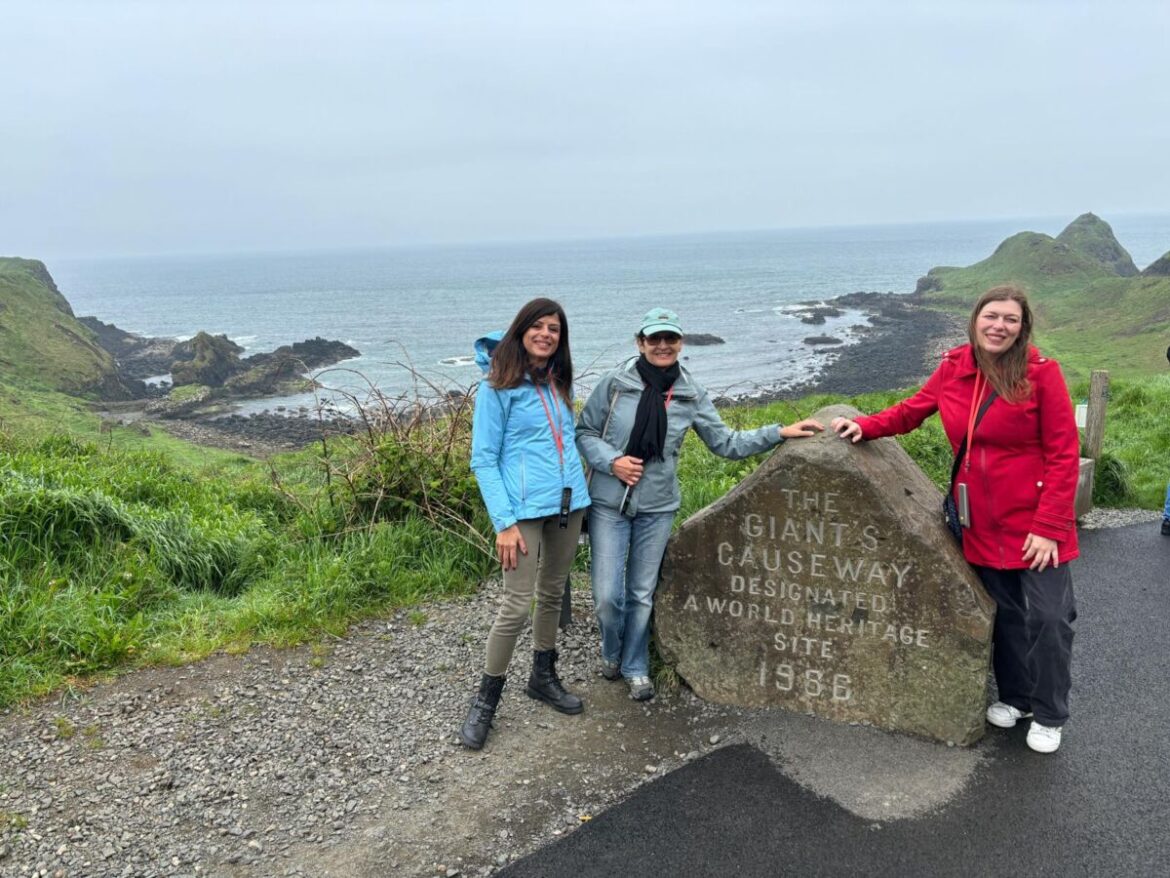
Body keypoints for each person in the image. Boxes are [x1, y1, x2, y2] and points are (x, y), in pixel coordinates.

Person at [830, 285, 1079, 754]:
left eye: (1010, 319)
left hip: (1035, 524)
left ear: (1022, 328)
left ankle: (1049, 713)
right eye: (991, 316)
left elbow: (1064, 453)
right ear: (975, 319)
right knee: (1005, 614)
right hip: (980, 519)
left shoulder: (1041, 374)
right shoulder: (953, 368)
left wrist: (1049, 528)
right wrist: (865, 425)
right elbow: (912, 411)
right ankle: (1018, 698)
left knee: (1049, 617)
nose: (999, 326)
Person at [576, 307, 824, 701]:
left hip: (658, 507)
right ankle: (611, 649)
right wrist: (612, 461)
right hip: (608, 503)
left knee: (641, 593)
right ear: (640, 342)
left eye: (670, 338)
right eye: (654, 338)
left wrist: (779, 432)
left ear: (680, 343)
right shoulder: (616, 383)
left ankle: (635, 665)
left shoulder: (690, 393)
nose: (662, 345)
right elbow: (585, 432)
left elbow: (726, 443)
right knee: (608, 596)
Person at [460, 298, 591, 750]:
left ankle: (542, 676)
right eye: (538, 326)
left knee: (552, 592)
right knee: (516, 605)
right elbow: (483, 460)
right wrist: (503, 523)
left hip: (568, 504)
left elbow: (566, 441)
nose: (546, 334)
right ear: (521, 331)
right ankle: (486, 701)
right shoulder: (497, 386)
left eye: (554, 328)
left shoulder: (558, 380)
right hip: (520, 514)